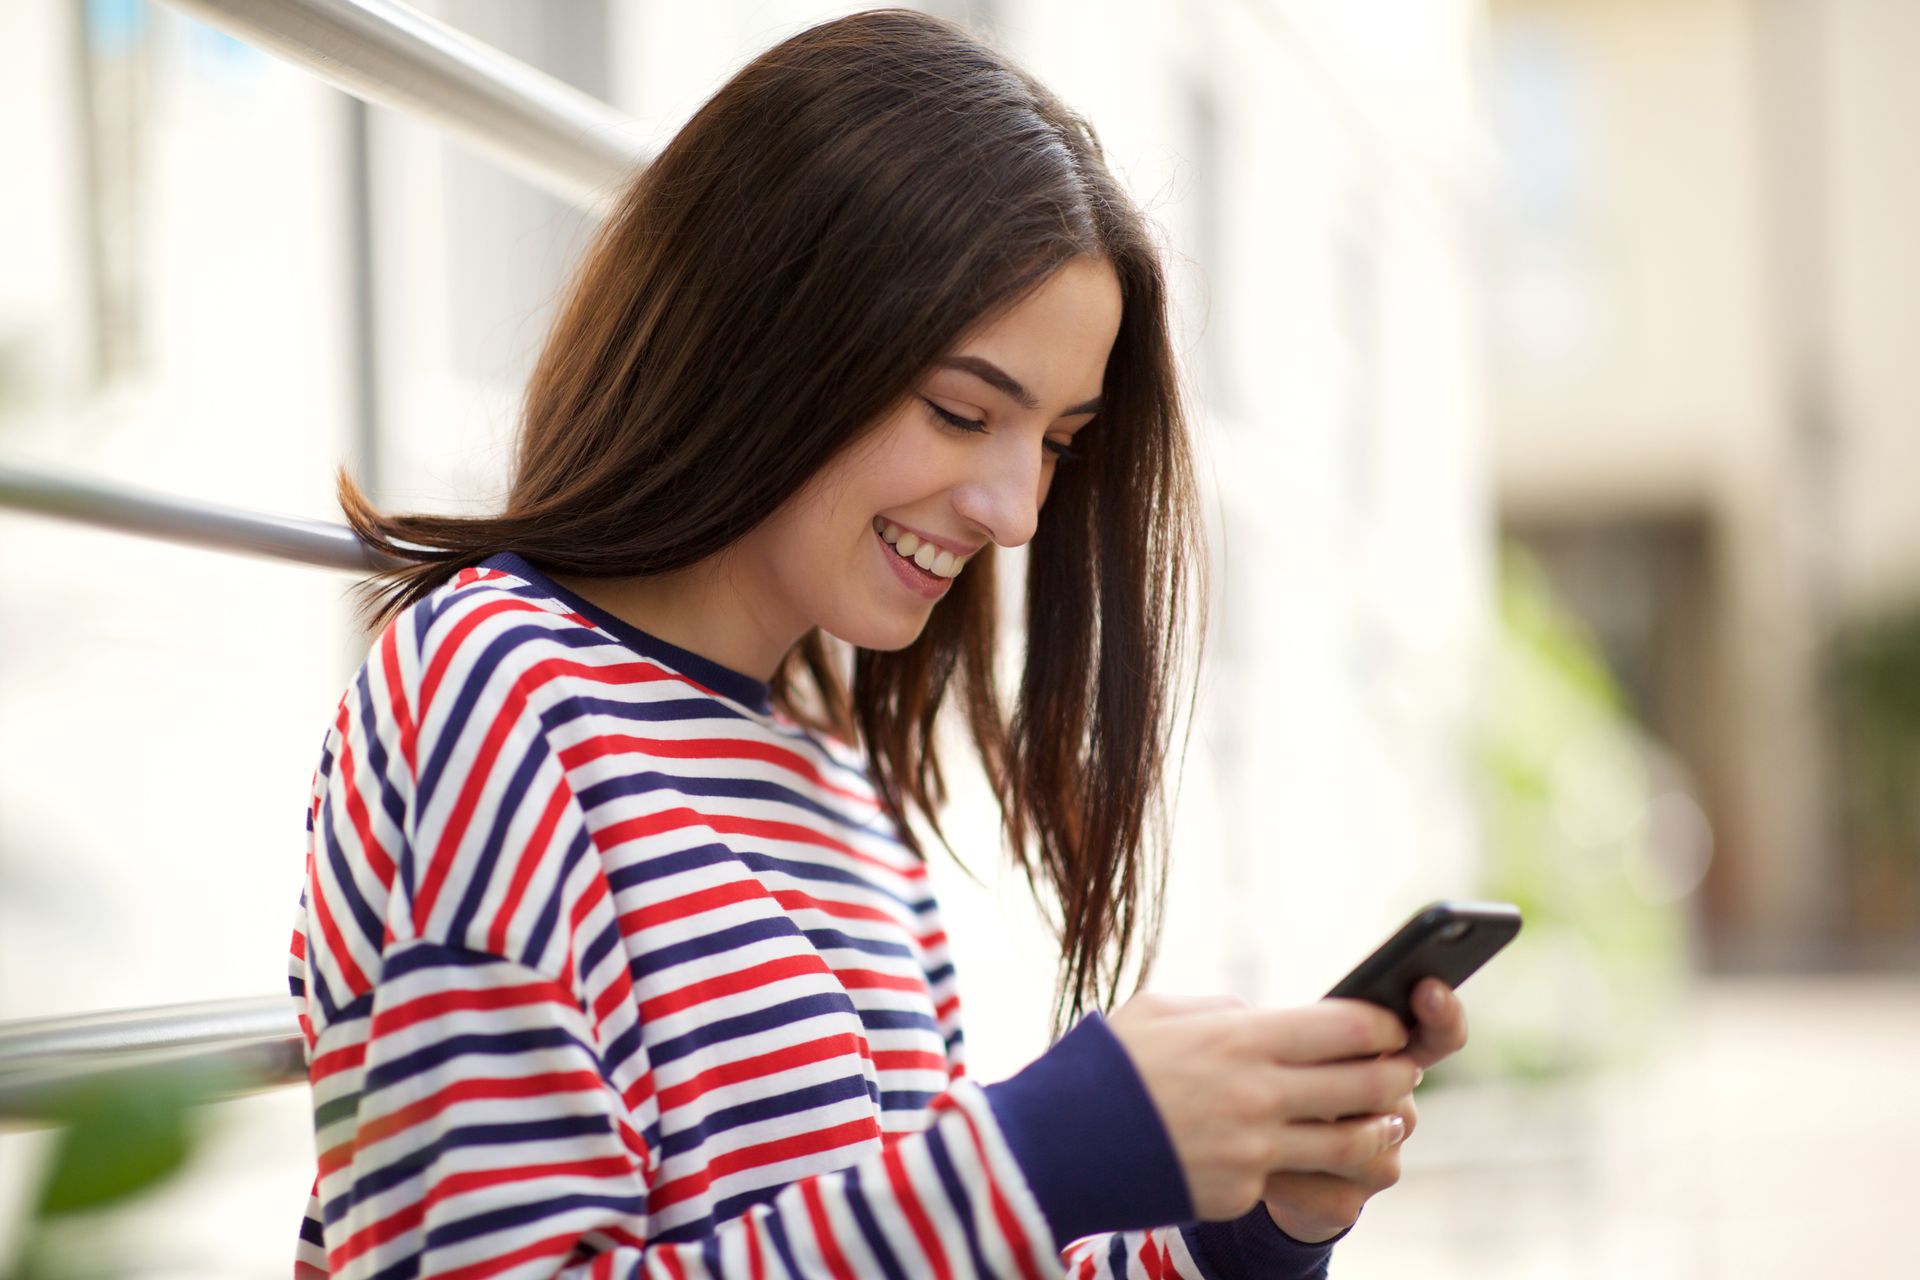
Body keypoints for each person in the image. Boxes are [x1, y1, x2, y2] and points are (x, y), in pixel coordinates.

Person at [286, 8, 1468, 1279]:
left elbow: (921, 1247)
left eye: (1057, 444)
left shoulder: (836, 781)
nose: (1016, 512)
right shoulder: (497, 694)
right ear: (771, 335)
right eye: (963, 410)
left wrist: (1251, 1229)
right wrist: (1039, 1151)